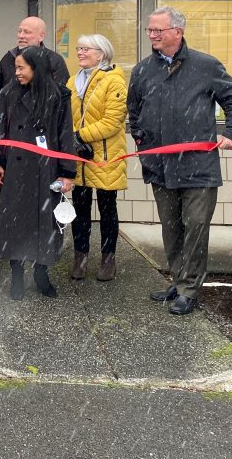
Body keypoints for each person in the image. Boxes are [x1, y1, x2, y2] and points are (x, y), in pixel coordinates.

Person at [128, 5, 232, 316]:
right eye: (150, 30)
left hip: (198, 166)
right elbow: (135, 111)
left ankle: (190, 290)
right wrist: (142, 140)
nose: (152, 35)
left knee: (195, 226)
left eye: (158, 30)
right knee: (171, 228)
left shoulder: (205, 66)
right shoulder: (143, 70)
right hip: (160, 166)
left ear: (177, 32)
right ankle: (179, 280)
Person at [0, 46, 76, 300]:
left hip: (47, 171)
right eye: (15, 67)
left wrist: (67, 172)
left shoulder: (58, 96)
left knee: (47, 223)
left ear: (36, 68)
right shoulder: (8, 92)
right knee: (15, 223)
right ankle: (16, 273)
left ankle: (41, 272)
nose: (16, 73)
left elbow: (65, 134)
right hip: (15, 170)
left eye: (21, 68)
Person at [66, 34, 127, 282]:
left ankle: (108, 259)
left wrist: (78, 135)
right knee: (79, 211)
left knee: (107, 210)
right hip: (78, 157)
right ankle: (80, 258)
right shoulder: (72, 81)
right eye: (79, 48)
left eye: (86, 49)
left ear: (101, 54)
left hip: (105, 157)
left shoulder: (114, 81)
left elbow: (112, 122)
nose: (80, 52)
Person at [0, 16, 70, 109]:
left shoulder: (54, 60)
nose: (21, 35)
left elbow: (61, 93)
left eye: (27, 32)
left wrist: (38, 112)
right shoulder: (9, 57)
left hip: (42, 120)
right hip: (10, 120)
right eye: (19, 31)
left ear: (41, 36)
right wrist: (2, 107)